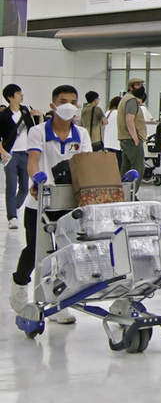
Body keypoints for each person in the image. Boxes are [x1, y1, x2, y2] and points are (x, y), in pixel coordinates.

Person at [9, 84, 92, 324]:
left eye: (73, 102)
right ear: (53, 105)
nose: (69, 106)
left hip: (69, 203)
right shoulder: (38, 131)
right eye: (64, 101)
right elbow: (33, 161)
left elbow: (84, 164)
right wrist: (37, 178)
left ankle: (60, 302)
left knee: (65, 253)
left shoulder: (82, 134)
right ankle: (20, 282)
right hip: (41, 202)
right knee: (35, 249)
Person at [0, 84, 44, 229]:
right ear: (10, 97)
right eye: (18, 93)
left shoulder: (25, 111)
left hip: (26, 153)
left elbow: (34, 130)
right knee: (11, 186)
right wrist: (2, 151)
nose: (21, 95)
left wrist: (40, 117)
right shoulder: (4, 115)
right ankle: (12, 216)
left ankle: (14, 207)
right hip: (11, 155)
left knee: (25, 188)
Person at [117, 78, 147, 184]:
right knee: (138, 167)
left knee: (126, 168)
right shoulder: (131, 100)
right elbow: (129, 120)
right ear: (131, 87)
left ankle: (121, 193)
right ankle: (132, 194)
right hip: (131, 138)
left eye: (142, 84)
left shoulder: (125, 98)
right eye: (138, 85)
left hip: (125, 138)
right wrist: (135, 138)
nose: (141, 87)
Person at [103, 96, 122, 167]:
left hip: (107, 142)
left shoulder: (107, 113)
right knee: (119, 165)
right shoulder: (119, 113)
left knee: (111, 165)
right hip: (117, 143)